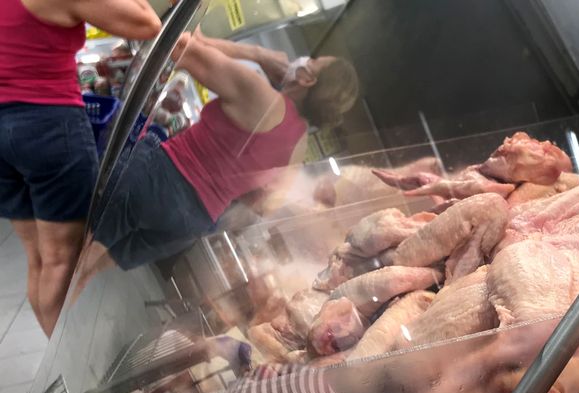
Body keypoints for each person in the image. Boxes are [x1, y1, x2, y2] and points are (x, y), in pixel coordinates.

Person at [75, 31, 359, 291]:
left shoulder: (261, 95)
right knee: (93, 268)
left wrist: (259, 54)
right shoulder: (300, 148)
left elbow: (181, 46)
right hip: (192, 223)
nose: (303, 60)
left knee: (80, 254)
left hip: (162, 179)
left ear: (308, 77)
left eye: (313, 61)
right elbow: (260, 205)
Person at [0, 0, 161, 336]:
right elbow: (146, 23)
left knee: (38, 257)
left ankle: (59, 355)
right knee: (61, 259)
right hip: (47, 125)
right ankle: (71, 364)